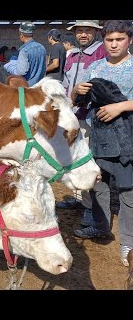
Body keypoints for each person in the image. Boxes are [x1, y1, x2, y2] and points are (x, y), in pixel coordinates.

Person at [70, 20, 133, 268]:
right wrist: (76, 91)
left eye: (119, 39)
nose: (114, 44)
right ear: (103, 41)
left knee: (128, 192)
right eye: (109, 40)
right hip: (99, 136)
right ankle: (100, 226)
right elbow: (79, 101)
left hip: (128, 137)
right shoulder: (94, 66)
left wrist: (122, 106)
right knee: (97, 184)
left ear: (129, 40)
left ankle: (128, 242)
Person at [56, 20, 108, 223]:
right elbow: (67, 84)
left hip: (90, 117)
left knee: (87, 161)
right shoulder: (73, 55)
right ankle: (79, 199)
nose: (83, 34)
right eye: (80, 31)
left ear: (96, 32)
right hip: (73, 115)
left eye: (88, 30)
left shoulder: (101, 53)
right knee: (74, 159)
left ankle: (90, 210)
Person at [6, 21, 46, 86]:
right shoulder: (42, 47)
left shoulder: (24, 51)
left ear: (21, 35)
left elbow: (21, 72)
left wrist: (9, 66)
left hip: (28, 88)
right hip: (40, 86)